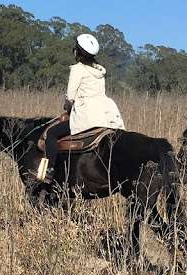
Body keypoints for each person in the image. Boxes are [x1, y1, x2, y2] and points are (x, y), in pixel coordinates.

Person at [38, 33, 126, 182]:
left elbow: (70, 97)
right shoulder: (99, 72)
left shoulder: (77, 69)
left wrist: (67, 108)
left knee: (52, 134)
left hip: (88, 116)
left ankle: (50, 170)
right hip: (108, 115)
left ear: (77, 51)